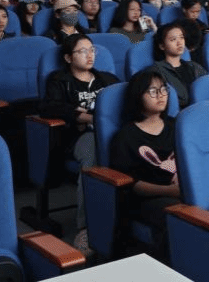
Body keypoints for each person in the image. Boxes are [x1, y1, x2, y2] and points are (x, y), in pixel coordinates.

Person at [40, 34, 119, 251]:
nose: (89, 55)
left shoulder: (108, 79)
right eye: (82, 51)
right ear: (68, 58)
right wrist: (84, 116)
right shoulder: (59, 80)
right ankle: (86, 227)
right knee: (93, 152)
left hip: (111, 133)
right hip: (79, 137)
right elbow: (48, 107)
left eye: (92, 50)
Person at [109, 69, 181, 259]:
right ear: (138, 96)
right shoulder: (126, 136)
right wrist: (170, 191)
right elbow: (130, 184)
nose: (161, 95)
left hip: (180, 191)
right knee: (179, 217)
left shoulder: (177, 126)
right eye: (153, 91)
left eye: (163, 89)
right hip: (148, 200)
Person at [149, 22, 207, 107]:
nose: (179, 43)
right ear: (162, 46)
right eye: (173, 39)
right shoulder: (156, 71)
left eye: (181, 38)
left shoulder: (194, 67)